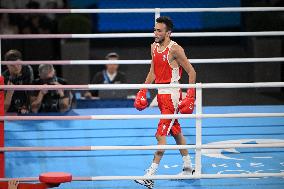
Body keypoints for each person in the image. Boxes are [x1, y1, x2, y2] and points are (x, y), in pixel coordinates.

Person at [134, 16, 196, 189]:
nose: (155, 32)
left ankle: (150, 175)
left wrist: (190, 95)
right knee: (175, 130)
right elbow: (152, 72)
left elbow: (191, 72)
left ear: (168, 32)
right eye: (154, 29)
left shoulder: (175, 49)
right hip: (160, 95)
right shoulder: (153, 46)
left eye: (159, 30)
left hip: (172, 95)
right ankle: (188, 167)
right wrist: (143, 90)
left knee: (160, 134)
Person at [2, 49, 34, 114]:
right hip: (9, 111)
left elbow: (30, 92)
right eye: (12, 65)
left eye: (18, 64)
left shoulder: (27, 70)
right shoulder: (3, 78)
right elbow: (3, 109)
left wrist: (26, 106)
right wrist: (9, 93)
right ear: (7, 65)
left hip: (24, 108)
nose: (16, 67)